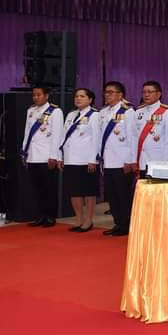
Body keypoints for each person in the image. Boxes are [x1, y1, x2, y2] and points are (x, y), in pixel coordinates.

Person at [58, 87, 100, 232]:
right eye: (76, 96)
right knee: (74, 191)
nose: (78, 99)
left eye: (82, 96)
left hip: (86, 160)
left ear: (90, 100)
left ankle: (88, 220)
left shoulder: (94, 115)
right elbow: (63, 137)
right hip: (71, 159)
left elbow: (96, 138)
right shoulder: (71, 115)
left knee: (88, 191)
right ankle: (79, 219)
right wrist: (61, 156)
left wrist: (93, 159)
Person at [21, 86, 64, 227]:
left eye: (39, 94)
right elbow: (27, 133)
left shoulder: (55, 111)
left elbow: (57, 135)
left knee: (49, 188)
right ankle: (40, 215)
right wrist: (24, 151)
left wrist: (54, 156)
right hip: (33, 155)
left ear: (46, 95)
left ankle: (50, 216)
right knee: (36, 188)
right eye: (34, 95)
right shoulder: (31, 111)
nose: (36, 97)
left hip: (47, 156)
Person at [98, 81, 136, 237]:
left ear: (120, 95)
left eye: (111, 92)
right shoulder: (103, 112)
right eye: (106, 92)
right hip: (108, 160)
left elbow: (133, 137)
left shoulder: (128, 111)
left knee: (123, 195)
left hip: (122, 161)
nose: (108, 95)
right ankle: (118, 223)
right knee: (112, 195)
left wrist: (130, 160)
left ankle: (127, 225)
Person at [135, 81, 168, 175]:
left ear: (158, 94)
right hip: (141, 160)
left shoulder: (167, 112)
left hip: (158, 161)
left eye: (150, 92)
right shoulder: (138, 112)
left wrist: (166, 163)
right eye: (144, 92)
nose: (146, 95)